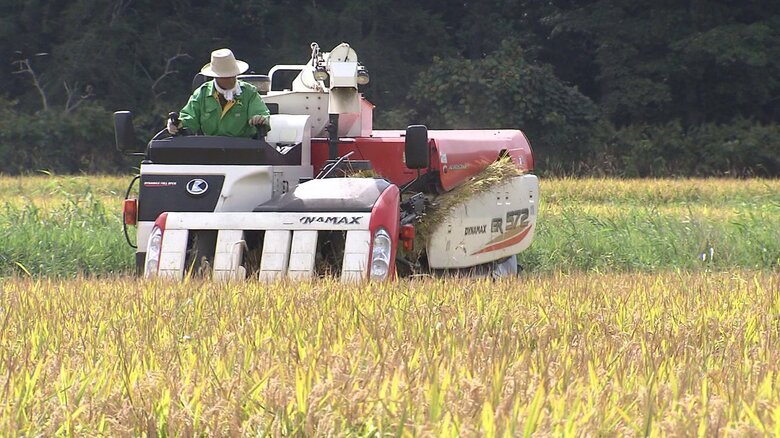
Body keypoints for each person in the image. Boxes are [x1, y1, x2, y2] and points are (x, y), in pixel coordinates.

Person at [167, 48, 270, 137]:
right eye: (225, 77)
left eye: (233, 75)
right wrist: (176, 124)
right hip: (209, 151)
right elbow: (188, 119)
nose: (231, 79)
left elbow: (261, 113)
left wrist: (260, 119)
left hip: (244, 151)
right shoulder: (202, 94)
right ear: (216, 77)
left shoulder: (249, 92)